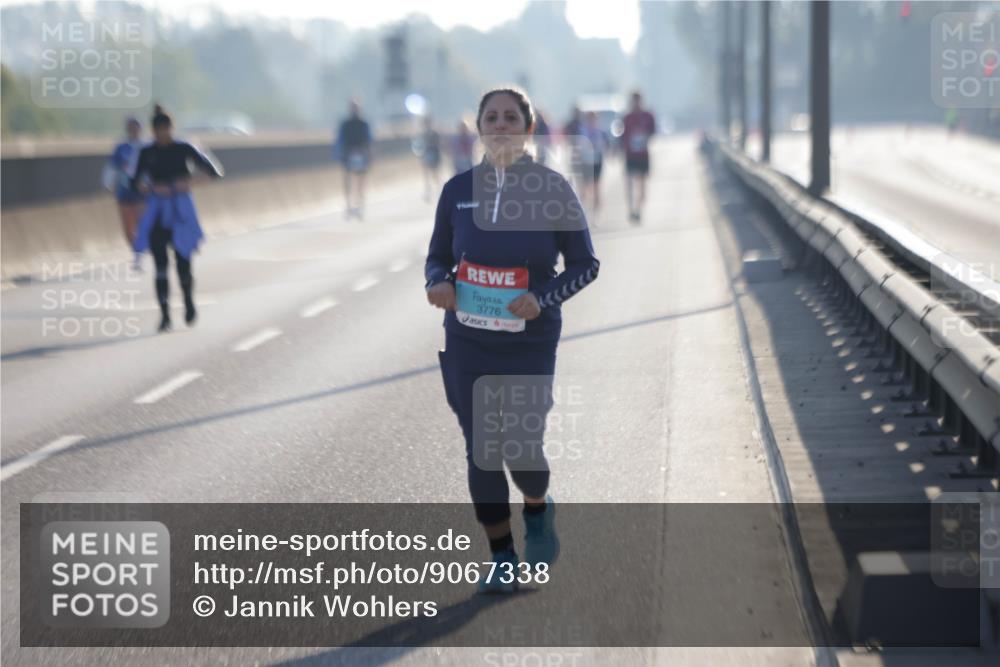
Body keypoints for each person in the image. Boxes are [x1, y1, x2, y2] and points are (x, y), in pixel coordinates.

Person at [425, 87, 600, 593]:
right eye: (491, 117)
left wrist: (542, 298)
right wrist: (438, 283)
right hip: (467, 340)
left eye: (510, 117)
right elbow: (437, 257)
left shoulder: (553, 189)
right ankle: (502, 557)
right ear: (479, 128)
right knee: (482, 449)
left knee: (522, 449)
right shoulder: (457, 190)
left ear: (528, 129)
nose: (500, 125)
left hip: (529, 340)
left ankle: (538, 508)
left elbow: (586, 265)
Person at [131, 104, 224, 333]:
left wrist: (188, 183)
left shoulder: (184, 148)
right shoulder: (147, 152)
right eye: (159, 130)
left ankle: (189, 302)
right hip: (157, 211)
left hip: (181, 210)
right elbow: (135, 182)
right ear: (153, 131)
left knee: (183, 263)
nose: (163, 134)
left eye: (166, 129)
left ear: (172, 128)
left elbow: (214, 172)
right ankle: (164, 315)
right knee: (161, 266)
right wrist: (152, 187)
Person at [103, 116, 146, 268]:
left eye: (136, 128)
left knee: (141, 223)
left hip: (142, 191)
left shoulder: (146, 147)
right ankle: (136, 252)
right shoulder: (121, 148)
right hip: (124, 190)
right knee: (128, 226)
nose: (133, 131)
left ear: (140, 129)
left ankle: (141, 251)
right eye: (131, 128)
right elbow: (112, 167)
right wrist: (108, 184)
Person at [333, 99, 372, 219]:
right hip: (348, 154)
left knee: (360, 181)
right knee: (347, 180)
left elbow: (369, 140)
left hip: (361, 154)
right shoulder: (345, 124)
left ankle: (359, 204)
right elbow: (340, 140)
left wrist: (369, 154)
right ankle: (349, 205)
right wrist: (338, 154)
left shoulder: (364, 124)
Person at [621, 91, 656, 223]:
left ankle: (638, 210)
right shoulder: (627, 117)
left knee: (642, 185)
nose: (636, 103)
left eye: (638, 100)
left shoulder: (648, 116)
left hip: (643, 155)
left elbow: (653, 131)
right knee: (629, 183)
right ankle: (631, 210)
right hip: (630, 155)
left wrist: (645, 137)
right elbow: (622, 135)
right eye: (634, 100)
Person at [577, 111, 610, 212]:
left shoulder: (601, 132)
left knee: (596, 187)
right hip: (585, 162)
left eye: (593, 119)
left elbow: (607, 145)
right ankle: (582, 212)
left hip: (597, 161)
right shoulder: (582, 131)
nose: (591, 121)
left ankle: (596, 213)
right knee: (584, 187)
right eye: (589, 119)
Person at [417, 116, 442, 202]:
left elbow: (438, 145)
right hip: (426, 155)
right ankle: (428, 192)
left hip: (434, 154)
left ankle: (439, 191)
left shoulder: (435, 133)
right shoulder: (422, 134)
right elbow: (419, 145)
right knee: (426, 175)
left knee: (435, 174)